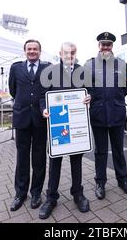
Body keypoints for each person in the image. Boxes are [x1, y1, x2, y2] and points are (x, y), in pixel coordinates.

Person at [38, 42, 91, 219]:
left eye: (73, 52)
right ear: (60, 53)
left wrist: (90, 97)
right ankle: (51, 198)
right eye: (66, 52)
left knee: (76, 161)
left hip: (76, 125)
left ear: (76, 53)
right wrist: (44, 108)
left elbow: (92, 91)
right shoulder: (51, 71)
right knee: (55, 163)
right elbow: (41, 96)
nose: (69, 55)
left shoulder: (83, 70)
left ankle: (78, 193)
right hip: (58, 124)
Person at [84, 32, 127, 200]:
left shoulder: (122, 64)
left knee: (119, 150)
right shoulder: (89, 65)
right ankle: (100, 183)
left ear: (112, 46)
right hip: (98, 114)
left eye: (108, 44)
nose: (105, 47)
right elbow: (85, 88)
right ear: (98, 46)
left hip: (117, 113)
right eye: (102, 44)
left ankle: (123, 180)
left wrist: (116, 97)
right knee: (100, 152)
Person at [8, 39, 51, 211]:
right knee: (22, 157)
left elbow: (48, 91)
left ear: (40, 51)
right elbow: (13, 89)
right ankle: (20, 193)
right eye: (29, 49)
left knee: (39, 158)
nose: (32, 51)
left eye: (35, 49)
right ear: (24, 51)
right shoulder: (15, 68)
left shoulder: (47, 68)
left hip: (40, 119)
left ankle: (36, 193)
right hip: (22, 118)